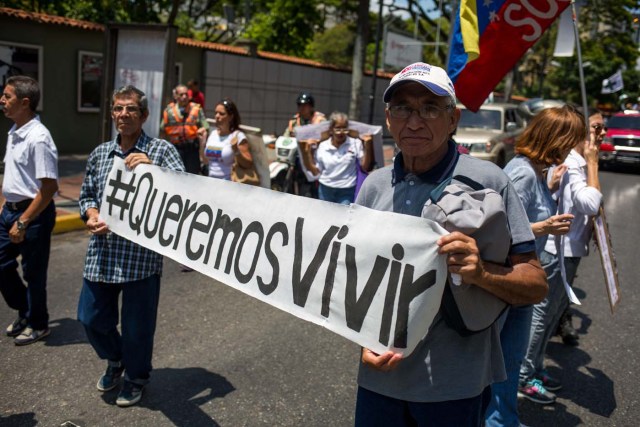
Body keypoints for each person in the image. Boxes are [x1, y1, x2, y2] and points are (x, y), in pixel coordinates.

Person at [353, 62, 547, 427]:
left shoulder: (490, 181)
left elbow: (535, 283)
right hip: (379, 379)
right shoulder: (374, 186)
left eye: (429, 108)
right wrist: (359, 337)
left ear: (453, 119)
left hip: (455, 386)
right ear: (388, 118)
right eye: (403, 108)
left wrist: (482, 273)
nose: (414, 122)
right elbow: (355, 280)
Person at [78, 85, 184, 407]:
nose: (124, 115)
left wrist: (154, 170)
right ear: (112, 113)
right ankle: (115, 359)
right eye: (118, 109)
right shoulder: (100, 154)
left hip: (141, 259)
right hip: (103, 254)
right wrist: (91, 214)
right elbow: (86, 196)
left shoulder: (162, 151)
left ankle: (136, 377)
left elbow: (185, 194)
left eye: (131, 110)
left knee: (138, 329)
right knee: (90, 317)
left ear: (144, 115)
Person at [485, 105, 585, 426]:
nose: (571, 150)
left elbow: (525, 210)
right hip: (510, 280)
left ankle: (503, 419)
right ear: (553, 139)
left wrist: (550, 189)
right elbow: (500, 227)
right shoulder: (523, 171)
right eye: (569, 142)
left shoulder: (539, 171)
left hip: (524, 280)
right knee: (499, 362)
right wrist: (546, 226)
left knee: (510, 362)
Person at [0, 76, 58, 346]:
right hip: (10, 211)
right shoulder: (15, 130)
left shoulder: (39, 138)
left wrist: (23, 221)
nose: (2, 100)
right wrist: (5, 207)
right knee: (2, 265)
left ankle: (38, 323)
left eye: (7, 96)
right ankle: (26, 309)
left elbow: (48, 188)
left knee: (34, 274)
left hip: (33, 215)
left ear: (25, 103)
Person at [553, 109, 605, 346]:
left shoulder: (581, 160)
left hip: (572, 244)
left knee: (555, 304)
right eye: (596, 128)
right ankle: (526, 375)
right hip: (562, 247)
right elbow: (590, 203)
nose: (602, 133)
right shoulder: (575, 163)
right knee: (545, 312)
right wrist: (593, 164)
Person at [298, 111, 374, 204]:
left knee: (342, 217)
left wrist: (368, 146)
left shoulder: (355, 143)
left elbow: (365, 167)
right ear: (331, 129)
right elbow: (315, 172)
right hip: (326, 189)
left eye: (344, 128)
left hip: (347, 190)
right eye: (338, 128)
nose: (341, 132)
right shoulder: (323, 146)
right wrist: (306, 153)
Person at [160, 84, 209, 174]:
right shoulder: (169, 111)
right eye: (181, 94)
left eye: (186, 94)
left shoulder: (196, 109)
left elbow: (205, 127)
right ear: (176, 96)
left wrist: (202, 131)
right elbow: (162, 130)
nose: (185, 97)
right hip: (175, 149)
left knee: (192, 176)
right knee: (175, 175)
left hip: (192, 150)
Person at [203, 98, 253, 181]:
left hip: (228, 184)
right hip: (210, 183)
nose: (217, 116)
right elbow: (205, 161)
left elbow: (248, 164)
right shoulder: (213, 134)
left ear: (231, 117)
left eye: (221, 114)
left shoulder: (238, 136)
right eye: (216, 113)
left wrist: (236, 150)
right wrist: (202, 143)